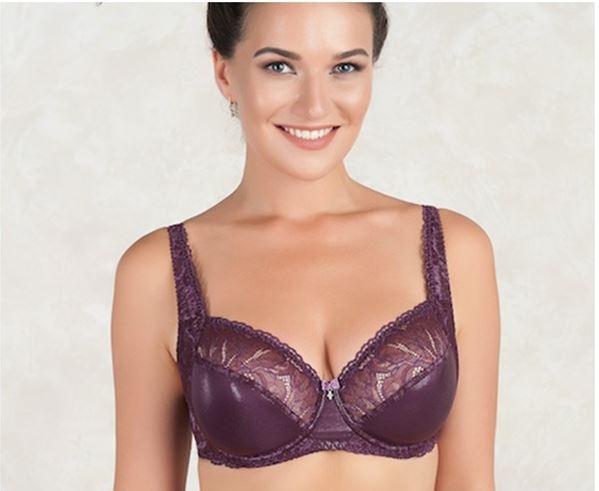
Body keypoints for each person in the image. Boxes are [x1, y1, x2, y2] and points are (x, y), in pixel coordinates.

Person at [111, 3, 500, 491]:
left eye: (345, 67)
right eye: (279, 66)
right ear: (225, 73)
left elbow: (469, 481)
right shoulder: (159, 273)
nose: (315, 106)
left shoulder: (455, 251)